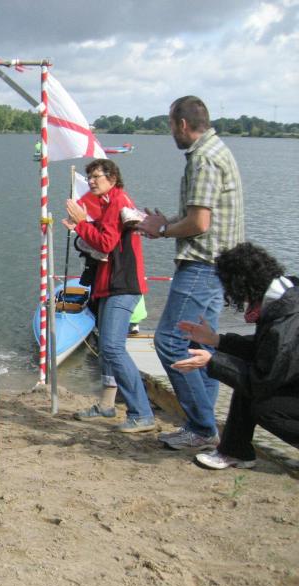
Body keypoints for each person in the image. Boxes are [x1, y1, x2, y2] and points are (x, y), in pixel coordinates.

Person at [137, 95, 245, 450]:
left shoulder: (203, 158)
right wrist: (162, 223)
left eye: (170, 125)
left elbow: (199, 223)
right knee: (201, 344)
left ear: (182, 124)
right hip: (218, 265)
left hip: (202, 264)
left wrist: (163, 230)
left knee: (169, 340)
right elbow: (198, 216)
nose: (171, 132)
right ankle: (204, 427)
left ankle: (201, 427)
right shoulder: (216, 150)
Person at [171, 242, 299, 469]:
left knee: (265, 408)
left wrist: (212, 361)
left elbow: (263, 380)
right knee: (244, 375)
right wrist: (217, 340)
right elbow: (267, 350)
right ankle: (235, 451)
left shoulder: (286, 318)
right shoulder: (286, 293)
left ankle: (234, 450)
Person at [63, 159, 153, 432]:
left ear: (112, 178)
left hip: (122, 285)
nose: (91, 181)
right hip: (107, 284)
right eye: (89, 176)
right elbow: (100, 240)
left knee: (113, 347)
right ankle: (106, 405)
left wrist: (81, 224)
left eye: (96, 176)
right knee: (106, 348)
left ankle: (142, 414)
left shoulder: (117, 201)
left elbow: (106, 242)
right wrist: (81, 229)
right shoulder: (106, 203)